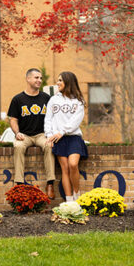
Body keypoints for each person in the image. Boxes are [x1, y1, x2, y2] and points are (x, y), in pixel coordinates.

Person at [7, 68, 56, 199]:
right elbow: (13, 119)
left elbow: (53, 117)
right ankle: (19, 184)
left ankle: (50, 183)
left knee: (48, 146)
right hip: (25, 135)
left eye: (40, 78)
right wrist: (17, 133)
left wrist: (50, 134)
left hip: (41, 134)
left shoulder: (46, 98)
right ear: (28, 79)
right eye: (36, 78)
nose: (39, 80)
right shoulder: (18, 99)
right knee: (18, 146)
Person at [44, 71, 88, 202]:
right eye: (57, 80)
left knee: (73, 165)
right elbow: (48, 119)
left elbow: (75, 121)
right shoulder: (53, 99)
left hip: (73, 137)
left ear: (68, 82)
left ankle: (76, 194)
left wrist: (62, 131)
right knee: (65, 169)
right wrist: (49, 136)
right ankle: (69, 202)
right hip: (58, 139)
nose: (57, 83)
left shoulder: (79, 101)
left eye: (60, 81)